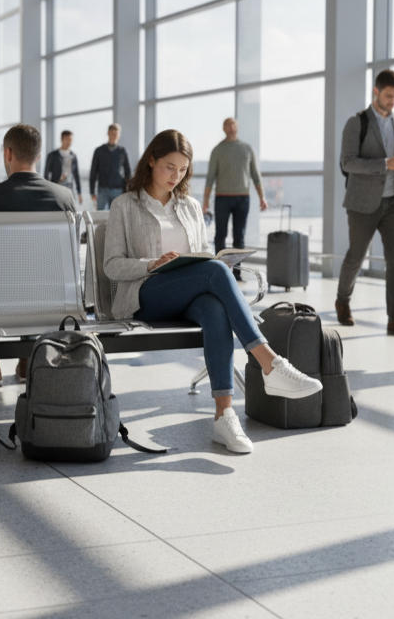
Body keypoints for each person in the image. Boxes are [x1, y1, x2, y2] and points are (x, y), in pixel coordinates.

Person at [103, 129, 323, 454]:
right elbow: (111, 265)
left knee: (214, 307)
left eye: (182, 170)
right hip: (146, 296)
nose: (175, 176)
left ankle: (224, 417)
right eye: (169, 167)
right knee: (216, 271)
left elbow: (204, 254)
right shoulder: (125, 205)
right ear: (151, 161)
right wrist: (152, 264)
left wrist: (219, 260)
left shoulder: (190, 206)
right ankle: (270, 363)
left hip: (190, 297)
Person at [0, 124, 77, 387]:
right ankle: (27, 362)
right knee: (34, 278)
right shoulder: (64, 196)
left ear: (7, 153)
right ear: (39, 156)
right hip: (53, 299)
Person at [336, 69, 394, 336]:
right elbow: (347, 162)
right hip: (363, 203)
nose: (393, 101)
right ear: (376, 92)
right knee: (356, 256)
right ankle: (343, 301)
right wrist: (385, 164)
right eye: (389, 95)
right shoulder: (356, 123)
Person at [203, 118, 267, 280]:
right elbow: (210, 178)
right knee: (220, 235)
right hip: (222, 198)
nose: (231, 128)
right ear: (223, 129)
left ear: (237, 128)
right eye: (228, 126)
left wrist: (262, 198)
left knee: (240, 236)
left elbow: (255, 175)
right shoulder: (217, 150)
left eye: (233, 125)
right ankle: (221, 272)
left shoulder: (247, 148)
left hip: (242, 199)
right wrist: (205, 201)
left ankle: (237, 273)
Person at [90, 123, 132, 210]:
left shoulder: (122, 151)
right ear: (108, 133)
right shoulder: (99, 151)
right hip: (102, 190)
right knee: (100, 217)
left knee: (118, 218)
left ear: (119, 135)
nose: (114, 135)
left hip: (118, 190)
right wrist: (92, 191)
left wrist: (129, 190)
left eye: (116, 133)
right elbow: (93, 171)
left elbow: (128, 172)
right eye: (112, 133)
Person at [45, 130, 83, 205]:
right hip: (56, 188)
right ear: (63, 139)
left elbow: (76, 175)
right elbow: (46, 174)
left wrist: (79, 192)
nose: (70, 142)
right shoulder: (53, 155)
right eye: (68, 139)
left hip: (70, 189)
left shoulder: (73, 156)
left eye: (71, 140)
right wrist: (47, 191)